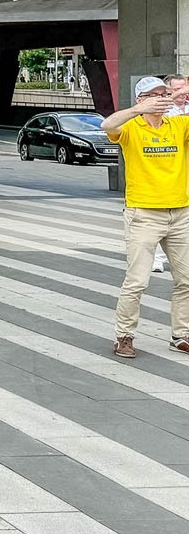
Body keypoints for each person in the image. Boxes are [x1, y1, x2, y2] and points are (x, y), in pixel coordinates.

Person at [101, 76, 189, 358]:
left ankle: (180, 335)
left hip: (180, 212)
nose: (163, 98)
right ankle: (124, 336)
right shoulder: (130, 128)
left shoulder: (178, 125)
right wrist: (139, 110)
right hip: (143, 213)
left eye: (166, 94)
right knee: (137, 280)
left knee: (186, 280)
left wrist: (182, 93)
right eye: (156, 95)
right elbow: (107, 125)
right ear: (141, 99)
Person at [152, 74, 188, 273]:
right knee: (160, 219)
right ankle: (157, 259)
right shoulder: (163, 111)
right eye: (176, 90)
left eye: (184, 89)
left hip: (186, 170)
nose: (182, 94)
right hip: (167, 171)